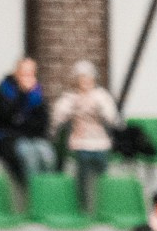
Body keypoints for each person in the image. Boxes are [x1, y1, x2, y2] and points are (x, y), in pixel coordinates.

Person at [52, 60, 121, 212]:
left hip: (100, 143)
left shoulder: (101, 96)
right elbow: (57, 118)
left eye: (88, 78)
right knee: (82, 176)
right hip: (80, 143)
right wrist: (73, 107)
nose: (86, 81)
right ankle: (84, 208)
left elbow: (112, 118)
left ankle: (105, 207)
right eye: (82, 78)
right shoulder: (71, 98)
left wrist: (98, 107)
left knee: (103, 179)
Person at [0, 57, 56, 186]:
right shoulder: (4, 90)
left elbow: (42, 121)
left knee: (47, 155)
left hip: (33, 137)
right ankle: (32, 193)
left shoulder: (37, 93)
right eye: (24, 74)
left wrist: (25, 121)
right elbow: (8, 118)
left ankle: (46, 191)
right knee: (28, 155)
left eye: (31, 74)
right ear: (16, 73)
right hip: (10, 137)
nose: (28, 78)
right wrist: (23, 94)